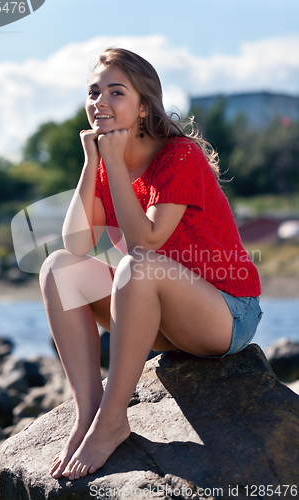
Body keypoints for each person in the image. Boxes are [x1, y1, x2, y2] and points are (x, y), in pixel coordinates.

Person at [39, 47, 263, 481]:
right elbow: (76, 242)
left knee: (138, 265)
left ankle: (112, 419)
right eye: (93, 91)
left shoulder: (179, 156)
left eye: (115, 92)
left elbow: (146, 242)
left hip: (226, 312)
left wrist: (115, 168)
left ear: (143, 107)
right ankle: (89, 413)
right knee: (58, 267)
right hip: (158, 316)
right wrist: (92, 163)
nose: (99, 101)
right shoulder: (107, 162)